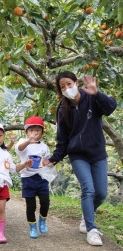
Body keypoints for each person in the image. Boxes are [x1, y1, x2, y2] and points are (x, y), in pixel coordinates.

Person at [46, 72, 117, 246]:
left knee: (101, 193)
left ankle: (86, 218)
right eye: (62, 87)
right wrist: (54, 158)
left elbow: (110, 108)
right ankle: (91, 229)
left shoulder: (92, 98)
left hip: (98, 154)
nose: (67, 89)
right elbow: (62, 140)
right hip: (78, 155)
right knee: (88, 190)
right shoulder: (63, 109)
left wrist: (97, 93)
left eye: (69, 84)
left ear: (76, 83)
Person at [15, 116, 52, 239]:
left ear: (42, 133)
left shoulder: (44, 146)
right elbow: (19, 149)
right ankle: (32, 227)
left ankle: (42, 220)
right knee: (31, 206)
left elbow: (47, 160)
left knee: (45, 202)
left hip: (41, 177)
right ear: (26, 132)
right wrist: (28, 141)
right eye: (31, 130)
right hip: (27, 178)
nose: (34, 133)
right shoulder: (23, 143)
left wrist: (47, 163)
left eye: (37, 131)